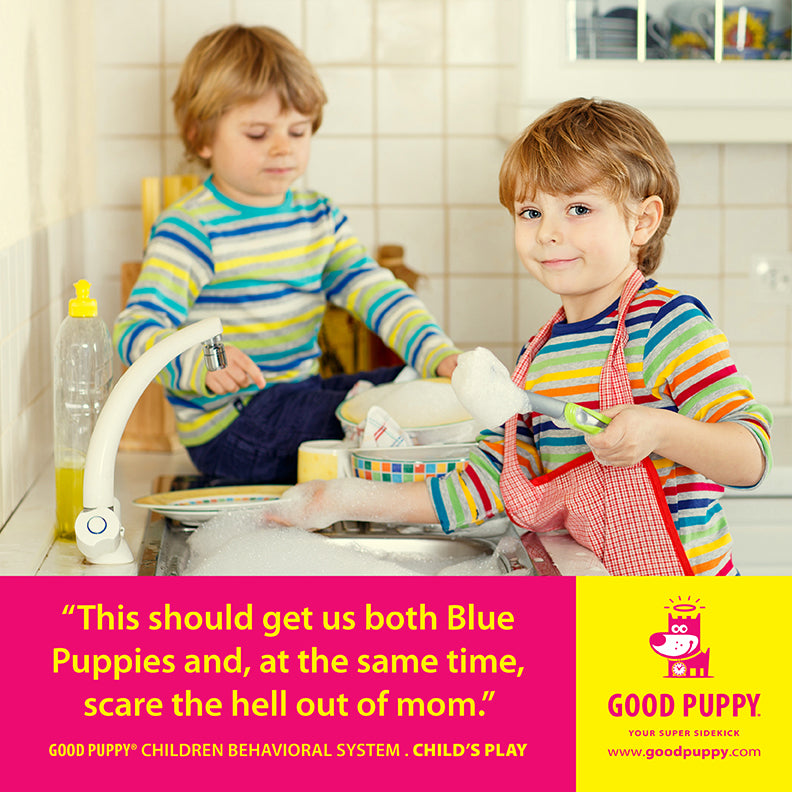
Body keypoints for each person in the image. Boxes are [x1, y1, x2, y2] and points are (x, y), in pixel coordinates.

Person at [261, 97, 772, 577]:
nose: (547, 232)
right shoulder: (538, 356)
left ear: (643, 221)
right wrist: (340, 499)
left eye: (578, 209)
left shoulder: (666, 325)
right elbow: (486, 483)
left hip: (687, 622)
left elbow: (751, 455)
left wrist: (660, 431)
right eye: (531, 213)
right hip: (595, 604)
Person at [113, 25, 459, 484]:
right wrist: (205, 363)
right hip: (232, 431)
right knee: (380, 410)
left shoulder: (319, 218)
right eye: (257, 133)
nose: (282, 147)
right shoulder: (193, 228)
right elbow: (135, 329)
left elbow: (376, 291)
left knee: (412, 386)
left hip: (296, 399)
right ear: (202, 137)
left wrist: (438, 354)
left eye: (297, 131)